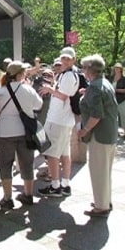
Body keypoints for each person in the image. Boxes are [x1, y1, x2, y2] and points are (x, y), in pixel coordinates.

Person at [0, 61, 43, 209]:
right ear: (20, 74)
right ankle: (28, 194)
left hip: (5, 132)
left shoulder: (1, 91)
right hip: (25, 132)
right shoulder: (28, 89)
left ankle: (7, 198)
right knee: (27, 163)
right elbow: (39, 105)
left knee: (5, 164)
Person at [77, 54, 118, 218]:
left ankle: (101, 207)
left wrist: (84, 130)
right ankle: (105, 201)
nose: (82, 70)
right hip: (109, 133)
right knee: (105, 170)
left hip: (99, 135)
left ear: (89, 69)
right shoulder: (104, 83)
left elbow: (96, 114)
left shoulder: (94, 87)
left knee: (98, 170)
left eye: (84, 67)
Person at [38, 47, 79, 198]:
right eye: (63, 58)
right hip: (63, 120)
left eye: (68, 58)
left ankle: (55, 185)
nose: (65, 61)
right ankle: (65, 184)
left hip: (58, 120)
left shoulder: (68, 75)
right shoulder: (67, 75)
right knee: (63, 154)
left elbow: (63, 96)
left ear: (73, 60)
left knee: (52, 154)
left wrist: (49, 89)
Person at [110, 62, 125, 140]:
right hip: (112, 99)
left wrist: (116, 90)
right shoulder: (111, 78)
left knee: (123, 116)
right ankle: (116, 131)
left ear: (121, 70)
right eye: (115, 68)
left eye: (118, 68)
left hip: (121, 100)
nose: (117, 70)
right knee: (114, 117)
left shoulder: (124, 79)